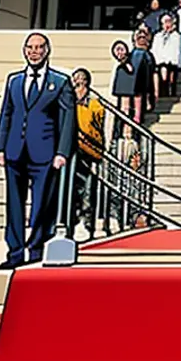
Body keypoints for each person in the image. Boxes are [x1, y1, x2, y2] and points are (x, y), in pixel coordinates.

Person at [0, 32, 77, 269]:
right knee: (14, 204)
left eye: (39, 47)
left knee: (42, 204)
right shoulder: (14, 80)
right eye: (30, 47)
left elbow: (67, 120)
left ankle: (37, 247)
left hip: (45, 153)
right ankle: (15, 252)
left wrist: (62, 152)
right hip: (14, 151)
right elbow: (6, 114)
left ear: (47, 50)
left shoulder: (60, 82)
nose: (34, 51)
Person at [71, 68, 105, 239]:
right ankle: (73, 222)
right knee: (73, 190)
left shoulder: (95, 105)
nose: (78, 83)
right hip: (72, 152)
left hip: (90, 152)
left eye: (82, 80)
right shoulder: (69, 103)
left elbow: (98, 127)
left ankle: (87, 224)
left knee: (88, 191)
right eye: (76, 80)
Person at [110, 39, 145, 125]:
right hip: (123, 89)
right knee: (123, 107)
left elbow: (130, 70)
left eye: (121, 50)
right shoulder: (119, 67)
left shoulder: (132, 61)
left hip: (132, 88)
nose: (120, 53)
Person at [153, 13, 181, 98]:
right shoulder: (158, 36)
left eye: (169, 22)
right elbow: (155, 49)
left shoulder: (177, 36)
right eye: (165, 22)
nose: (167, 24)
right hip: (160, 61)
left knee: (171, 77)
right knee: (163, 75)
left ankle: (172, 92)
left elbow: (178, 50)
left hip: (172, 61)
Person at [130, 26, 157, 113]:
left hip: (145, 87)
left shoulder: (149, 56)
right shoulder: (131, 56)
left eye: (144, 38)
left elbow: (153, 73)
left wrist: (156, 91)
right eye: (139, 38)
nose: (142, 40)